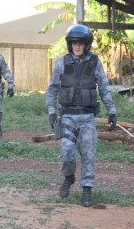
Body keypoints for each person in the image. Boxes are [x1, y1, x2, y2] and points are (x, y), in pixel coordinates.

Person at [45, 24, 117, 207]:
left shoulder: (94, 63)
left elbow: (104, 88)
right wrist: (52, 111)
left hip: (87, 118)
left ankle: (87, 190)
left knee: (88, 154)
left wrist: (112, 111)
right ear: (70, 44)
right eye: (74, 43)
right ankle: (69, 177)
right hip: (68, 117)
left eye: (81, 43)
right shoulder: (61, 63)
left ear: (87, 45)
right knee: (67, 151)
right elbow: (52, 89)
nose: (78, 46)